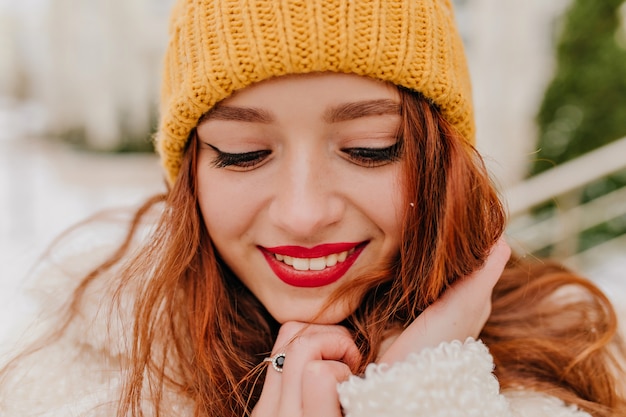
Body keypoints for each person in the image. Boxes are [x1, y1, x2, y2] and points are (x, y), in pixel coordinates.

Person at [1, 0, 625, 416]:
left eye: (368, 148)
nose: (303, 215)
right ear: (189, 173)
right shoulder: (73, 381)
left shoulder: (569, 369)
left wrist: (423, 390)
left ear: (441, 158)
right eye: (243, 154)